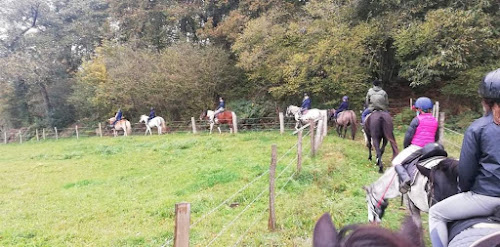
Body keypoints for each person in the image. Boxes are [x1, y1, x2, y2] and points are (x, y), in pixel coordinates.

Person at [428, 68, 500, 247]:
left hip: (487, 197)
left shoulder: (478, 128)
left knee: (436, 213)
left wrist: (464, 189)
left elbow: (466, 174)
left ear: (486, 101)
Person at [393, 97, 439, 193]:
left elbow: (408, 136)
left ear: (420, 109)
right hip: (431, 149)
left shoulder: (416, 120)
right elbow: (437, 137)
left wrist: (406, 147)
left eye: (417, 109)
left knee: (396, 161)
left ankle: (406, 179)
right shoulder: (435, 120)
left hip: (417, 147)